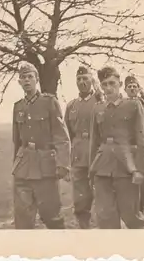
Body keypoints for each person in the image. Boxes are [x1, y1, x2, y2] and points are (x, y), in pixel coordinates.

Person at [12, 62, 71, 229]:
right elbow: (16, 141)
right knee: (22, 218)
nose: (26, 80)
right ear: (19, 82)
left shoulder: (49, 102)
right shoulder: (18, 107)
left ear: (36, 79)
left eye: (30, 77)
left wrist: (63, 164)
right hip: (24, 167)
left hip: (46, 165)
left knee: (51, 215)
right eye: (23, 78)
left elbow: (61, 136)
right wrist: (16, 164)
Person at [89, 66, 144, 229]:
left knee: (131, 215)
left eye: (112, 83)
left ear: (120, 84)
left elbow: (143, 138)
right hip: (102, 167)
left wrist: (140, 169)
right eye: (104, 84)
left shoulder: (133, 105)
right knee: (105, 216)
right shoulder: (98, 108)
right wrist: (91, 169)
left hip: (126, 167)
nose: (108, 88)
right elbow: (94, 142)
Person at [64, 65, 103, 229]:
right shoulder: (71, 106)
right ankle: (84, 227)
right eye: (79, 79)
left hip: (98, 153)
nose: (82, 82)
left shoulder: (100, 101)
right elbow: (68, 134)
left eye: (85, 78)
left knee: (101, 193)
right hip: (79, 154)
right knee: (80, 197)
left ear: (92, 80)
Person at [124, 73, 144, 227]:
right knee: (132, 185)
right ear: (125, 89)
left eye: (135, 86)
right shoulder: (122, 105)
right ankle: (137, 213)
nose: (133, 89)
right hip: (129, 150)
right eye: (130, 87)